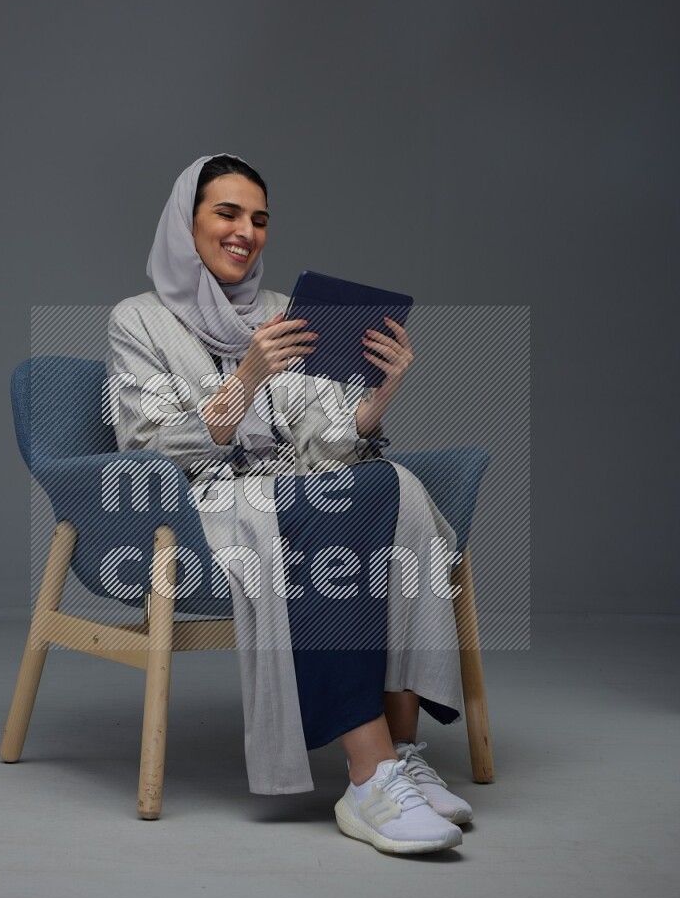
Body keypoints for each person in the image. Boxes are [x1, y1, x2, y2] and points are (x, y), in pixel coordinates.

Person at [106, 154, 473, 856]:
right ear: (187, 224)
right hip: (202, 507)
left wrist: (375, 401)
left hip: (294, 488)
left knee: (398, 487)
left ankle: (400, 746)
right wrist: (246, 376)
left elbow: (322, 441)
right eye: (227, 213)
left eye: (260, 218)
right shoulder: (139, 321)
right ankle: (370, 776)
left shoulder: (281, 312)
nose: (247, 231)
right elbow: (147, 445)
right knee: (325, 510)